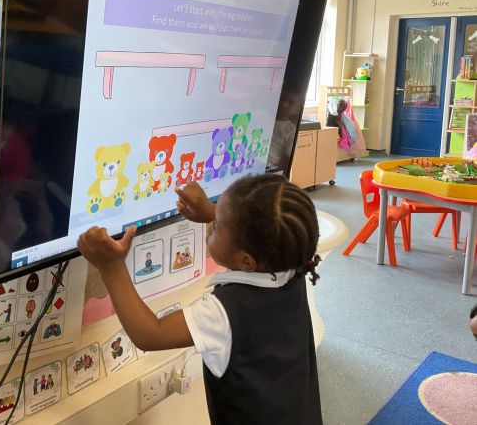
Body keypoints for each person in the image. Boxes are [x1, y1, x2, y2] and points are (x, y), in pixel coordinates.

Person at [78, 173, 323, 424]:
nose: (210, 226)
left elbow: (150, 333)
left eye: (217, 227)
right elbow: (262, 231)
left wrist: (111, 267)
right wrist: (215, 213)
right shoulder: (290, 264)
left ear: (246, 261)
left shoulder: (224, 312)